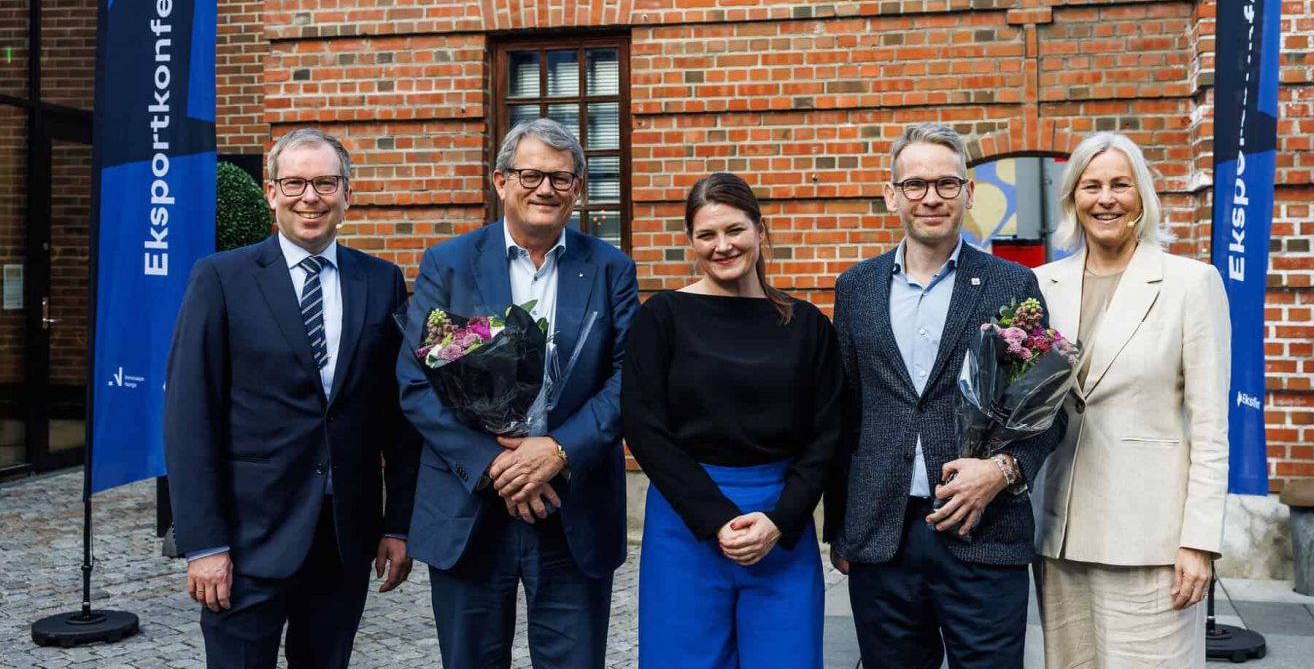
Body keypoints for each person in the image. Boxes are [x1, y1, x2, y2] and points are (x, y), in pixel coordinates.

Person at [165, 128, 421, 669]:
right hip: (247, 539)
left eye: (325, 183)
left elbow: (399, 418)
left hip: (343, 537)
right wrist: (204, 544)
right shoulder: (220, 279)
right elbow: (190, 418)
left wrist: (397, 524)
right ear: (271, 192)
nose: (311, 197)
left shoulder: (381, 281)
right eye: (295, 183)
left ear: (347, 194)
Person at [824, 122, 1067, 669]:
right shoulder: (855, 288)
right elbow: (846, 413)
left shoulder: (1012, 284)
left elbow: (1046, 412)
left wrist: (1003, 470)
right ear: (892, 195)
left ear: (968, 193)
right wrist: (842, 529)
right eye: (914, 184)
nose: (930, 197)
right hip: (882, 535)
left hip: (984, 531)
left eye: (946, 183)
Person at [397, 118, 639, 669]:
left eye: (560, 178)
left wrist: (557, 451)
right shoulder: (448, 264)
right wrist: (495, 466)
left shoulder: (611, 270)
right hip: (469, 508)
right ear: (501, 181)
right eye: (531, 175)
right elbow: (416, 381)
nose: (545, 189)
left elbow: (629, 379)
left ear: (578, 189)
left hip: (572, 506)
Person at [622, 172, 842, 668]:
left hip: (779, 522)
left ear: (760, 230)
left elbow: (828, 432)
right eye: (707, 234)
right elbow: (644, 428)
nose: (722, 245)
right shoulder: (661, 318)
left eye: (735, 230)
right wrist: (716, 518)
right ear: (691, 241)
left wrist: (781, 520)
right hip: (685, 523)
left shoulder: (807, 325)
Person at [1031, 132, 1229, 668]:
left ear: (1141, 194)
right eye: (1091, 186)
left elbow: (1211, 427)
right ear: (1073, 198)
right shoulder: (1041, 285)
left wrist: (1199, 542)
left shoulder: (1191, 283)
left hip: (1151, 541)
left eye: (1120, 184)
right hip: (1059, 533)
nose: (1106, 199)